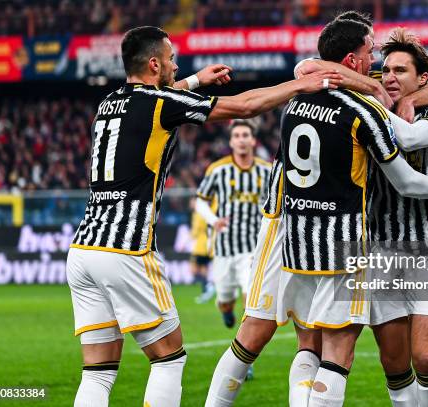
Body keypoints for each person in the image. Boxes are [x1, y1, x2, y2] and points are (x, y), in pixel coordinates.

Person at [65, 25, 343, 407]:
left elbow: (154, 98)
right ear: (153, 64)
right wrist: (299, 86)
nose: (176, 66)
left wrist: (195, 80)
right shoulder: (161, 104)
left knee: (98, 372)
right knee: (168, 359)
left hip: (82, 250)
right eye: (172, 60)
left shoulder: (109, 102)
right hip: (125, 249)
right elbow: (245, 106)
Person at [204, 11, 428, 407]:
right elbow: (404, 162)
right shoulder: (364, 106)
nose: (381, 70)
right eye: (374, 57)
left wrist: (398, 95)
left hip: (297, 228)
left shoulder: (302, 96)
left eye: (395, 69)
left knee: (295, 339)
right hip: (343, 238)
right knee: (334, 349)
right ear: (354, 61)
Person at [367, 28, 428, 407]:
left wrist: (379, 104)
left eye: (401, 71)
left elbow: (408, 139)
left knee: (424, 357)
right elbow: (307, 67)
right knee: (394, 363)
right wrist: (379, 98)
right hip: (380, 248)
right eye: (385, 70)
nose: (390, 77)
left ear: (422, 78)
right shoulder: (374, 106)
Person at [195, 119, 271, 331]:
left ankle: (243, 354)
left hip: (253, 248)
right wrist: (213, 220)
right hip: (224, 248)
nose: (241, 140)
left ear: (253, 140)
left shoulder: (267, 171)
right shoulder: (218, 170)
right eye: (237, 136)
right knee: (225, 299)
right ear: (231, 141)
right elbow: (200, 200)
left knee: (251, 297)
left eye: (245, 135)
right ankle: (227, 311)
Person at [188, 197, 214, 304]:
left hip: (200, 246)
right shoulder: (206, 212)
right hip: (207, 245)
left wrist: (190, 236)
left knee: (193, 269)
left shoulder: (198, 214)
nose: (190, 204)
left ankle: (208, 286)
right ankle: (205, 291)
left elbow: (195, 231)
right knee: (203, 269)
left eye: (192, 202)